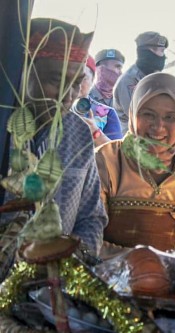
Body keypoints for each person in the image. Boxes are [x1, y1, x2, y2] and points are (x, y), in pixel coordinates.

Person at [95, 72, 175, 258]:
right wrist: (144, 266)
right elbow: (87, 235)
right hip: (112, 282)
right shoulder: (106, 160)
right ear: (133, 114)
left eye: (171, 117)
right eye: (148, 114)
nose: (158, 126)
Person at [24, 18, 107, 254]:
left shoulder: (79, 133)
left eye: (75, 84)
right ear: (24, 71)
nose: (67, 96)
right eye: (55, 81)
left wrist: (66, 262)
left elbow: (92, 218)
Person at [113, 31, 168, 134]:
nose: (163, 56)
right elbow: (138, 117)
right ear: (147, 52)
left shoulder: (156, 79)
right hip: (130, 142)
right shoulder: (129, 81)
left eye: (163, 51)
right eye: (160, 51)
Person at [78, 55, 122, 146]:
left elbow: (117, 154)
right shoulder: (51, 106)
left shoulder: (107, 114)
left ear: (92, 79)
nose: (76, 83)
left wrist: (95, 132)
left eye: (83, 78)